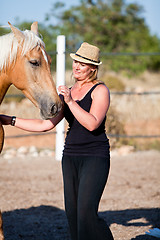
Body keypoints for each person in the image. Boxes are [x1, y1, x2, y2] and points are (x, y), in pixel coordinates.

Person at [0, 42, 114, 240]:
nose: (77, 66)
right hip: (70, 157)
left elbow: (92, 124)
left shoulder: (100, 90)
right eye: (76, 61)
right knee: (73, 215)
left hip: (95, 157)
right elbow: (45, 125)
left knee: (87, 213)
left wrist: (69, 101)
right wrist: (10, 120)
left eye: (83, 64)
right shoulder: (69, 91)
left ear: (93, 69)